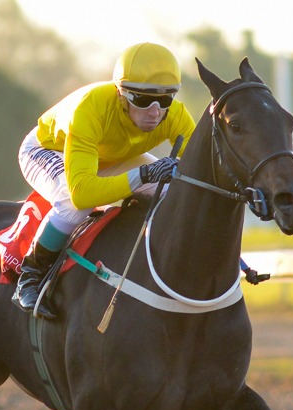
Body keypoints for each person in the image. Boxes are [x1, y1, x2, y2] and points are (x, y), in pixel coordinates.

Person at [13, 42, 197, 319]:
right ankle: (29, 277)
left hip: (110, 156)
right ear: (121, 94)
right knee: (71, 202)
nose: (155, 112)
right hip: (48, 149)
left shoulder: (176, 115)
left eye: (165, 100)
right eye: (143, 100)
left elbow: (199, 173)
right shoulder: (91, 109)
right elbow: (83, 194)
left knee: (173, 190)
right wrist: (144, 175)